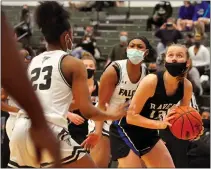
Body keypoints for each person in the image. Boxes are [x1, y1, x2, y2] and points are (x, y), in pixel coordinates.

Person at [7, 2, 128, 168]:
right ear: (66, 36)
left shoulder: (35, 61)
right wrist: (113, 114)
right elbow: (87, 111)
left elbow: (48, 100)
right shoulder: (73, 63)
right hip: (49, 130)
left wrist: (75, 103)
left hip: (20, 129)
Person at [110, 44, 203, 168]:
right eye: (171, 55)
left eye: (179, 56)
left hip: (148, 131)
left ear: (187, 62)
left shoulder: (186, 86)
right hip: (125, 129)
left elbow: (183, 116)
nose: (174, 58)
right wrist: (160, 124)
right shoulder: (151, 81)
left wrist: (193, 130)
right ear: (165, 61)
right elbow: (131, 117)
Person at [2, 11, 61, 167]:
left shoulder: (31, 74)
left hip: (28, 119)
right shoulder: (11, 76)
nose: (27, 59)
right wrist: (19, 111)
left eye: (28, 56)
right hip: (16, 120)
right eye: (23, 57)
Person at [87, 37, 156, 167]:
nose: (135, 49)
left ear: (146, 52)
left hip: (127, 124)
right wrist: (97, 132)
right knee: (99, 164)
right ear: (127, 49)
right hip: (104, 120)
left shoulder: (146, 73)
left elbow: (145, 107)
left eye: (139, 47)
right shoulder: (114, 70)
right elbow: (102, 105)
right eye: (132, 46)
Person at [68, 51, 99, 145]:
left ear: (95, 69)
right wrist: (69, 115)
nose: (88, 68)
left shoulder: (100, 86)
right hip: (75, 127)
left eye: (91, 66)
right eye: (85, 66)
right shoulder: (72, 86)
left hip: (94, 128)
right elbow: (61, 106)